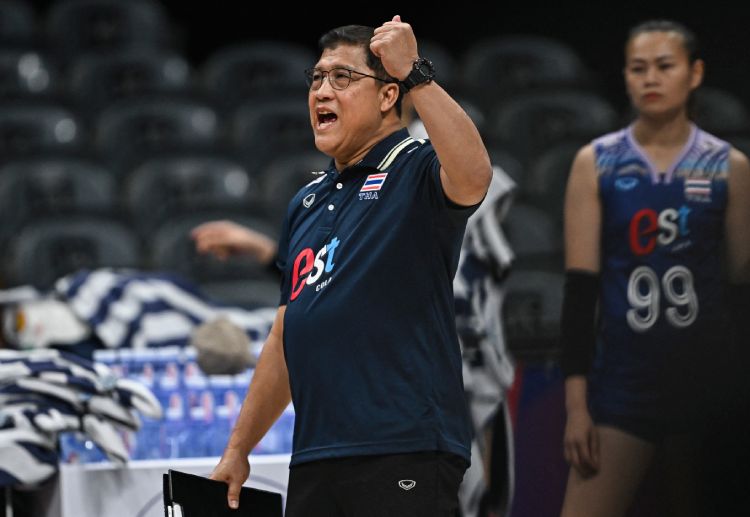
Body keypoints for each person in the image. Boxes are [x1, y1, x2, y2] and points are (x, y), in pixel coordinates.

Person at [208, 16, 492, 516]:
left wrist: (414, 72)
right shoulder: (307, 201)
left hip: (403, 444)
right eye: (317, 78)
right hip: (317, 453)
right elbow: (286, 336)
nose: (322, 91)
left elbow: (474, 176)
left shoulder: (415, 167)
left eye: (342, 77)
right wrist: (238, 448)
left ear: (387, 96)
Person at [558, 20, 750, 517]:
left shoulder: (728, 166)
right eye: (638, 68)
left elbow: (742, 292)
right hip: (625, 386)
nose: (651, 78)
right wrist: (577, 407)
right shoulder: (596, 162)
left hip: (712, 386)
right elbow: (579, 294)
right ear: (624, 76)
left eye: (665, 66)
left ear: (695, 73)